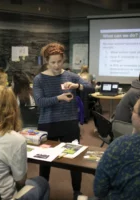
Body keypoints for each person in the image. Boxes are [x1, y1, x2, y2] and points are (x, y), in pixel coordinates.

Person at [33, 42, 94, 200]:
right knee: (45, 161)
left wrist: (77, 85)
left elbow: (90, 87)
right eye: (53, 62)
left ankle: (77, 191)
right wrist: (58, 98)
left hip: (69, 123)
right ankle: (42, 189)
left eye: (59, 61)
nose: (57, 65)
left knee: (75, 159)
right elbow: (40, 102)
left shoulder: (69, 75)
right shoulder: (39, 79)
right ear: (47, 61)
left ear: (63, 60)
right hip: (48, 123)